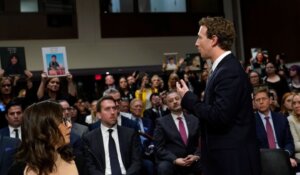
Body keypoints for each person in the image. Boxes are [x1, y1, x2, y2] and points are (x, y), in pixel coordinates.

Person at [176, 16, 260, 175]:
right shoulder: (223, 68)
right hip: (224, 159)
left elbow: (219, 117)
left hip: (232, 162)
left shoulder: (228, 71)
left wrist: (188, 97)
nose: (196, 43)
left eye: (200, 37)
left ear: (213, 40)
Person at [8, 101, 86, 175]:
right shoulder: (18, 170)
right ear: (43, 128)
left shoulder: (78, 159)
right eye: (62, 121)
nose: (69, 125)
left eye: (66, 120)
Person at [82, 96, 142, 174]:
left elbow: (137, 162)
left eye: (114, 108)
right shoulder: (89, 138)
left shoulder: (130, 134)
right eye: (107, 109)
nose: (113, 112)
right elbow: (90, 167)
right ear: (99, 115)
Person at [154, 91, 202, 175]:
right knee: (163, 167)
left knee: (208, 162)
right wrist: (175, 160)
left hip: (193, 160)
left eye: (177, 99)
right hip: (172, 162)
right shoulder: (161, 122)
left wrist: (196, 156)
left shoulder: (194, 119)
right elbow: (159, 148)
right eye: (171, 101)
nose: (175, 102)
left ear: (182, 101)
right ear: (167, 106)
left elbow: (203, 141)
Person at [253, 87, 297, 167]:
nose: (261, 102)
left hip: (282, 156)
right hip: (263, 160)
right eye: (258, 100)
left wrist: (285, 155)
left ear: (270, 100)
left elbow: (289, 142)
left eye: (264, 99)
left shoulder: (281, 118)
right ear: (254, 103)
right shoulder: (251, 121)